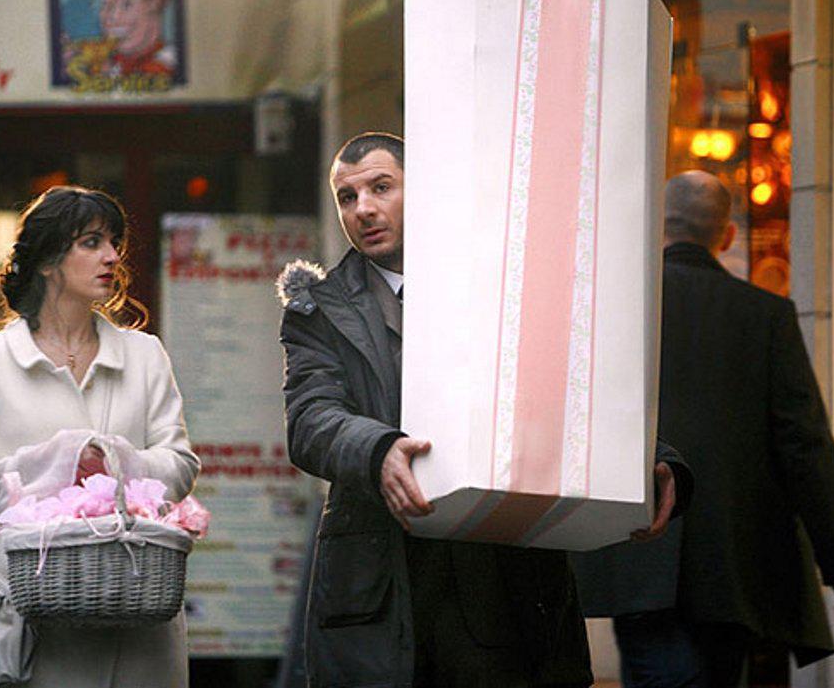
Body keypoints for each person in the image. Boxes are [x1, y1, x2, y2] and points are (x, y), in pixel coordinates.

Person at [276, 132, 693, 688]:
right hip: (383, 584)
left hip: (506, 581)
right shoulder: (318, 310)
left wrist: (644, 460)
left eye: (381, 187)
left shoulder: (504, 284)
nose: (364, 209)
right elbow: (310, 418)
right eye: (347, 197)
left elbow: (569, 386)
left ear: (424, 190)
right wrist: (378, 451)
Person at [574, 170, 834, 688]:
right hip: (733, 566)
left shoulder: (612, 309)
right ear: (727, 235)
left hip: (637, 552)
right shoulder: (766, 315)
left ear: (655, 227)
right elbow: (805, 446)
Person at [0, 186, 201, 688]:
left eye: (114, 242)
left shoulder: (144, 354)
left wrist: (114, 462)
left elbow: (181, 464)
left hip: (137, 616)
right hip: (29, 621)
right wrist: (57, 464)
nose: (112, 256)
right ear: (47, 261)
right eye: (91, 242)